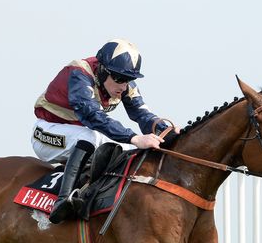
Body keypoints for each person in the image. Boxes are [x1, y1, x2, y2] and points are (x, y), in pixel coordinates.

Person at [32, 39, 176, 223]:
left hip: (76, 138)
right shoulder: (79, 73)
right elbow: (93, 117)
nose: (124, 87)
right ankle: (62, 201)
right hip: (46, 133)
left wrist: (167, 131)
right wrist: (133, 137)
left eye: (128, 80)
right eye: (119, 79)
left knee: (125, 150)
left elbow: (142, 114)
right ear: (102, 70)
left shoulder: (123, 85)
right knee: (92, 136)